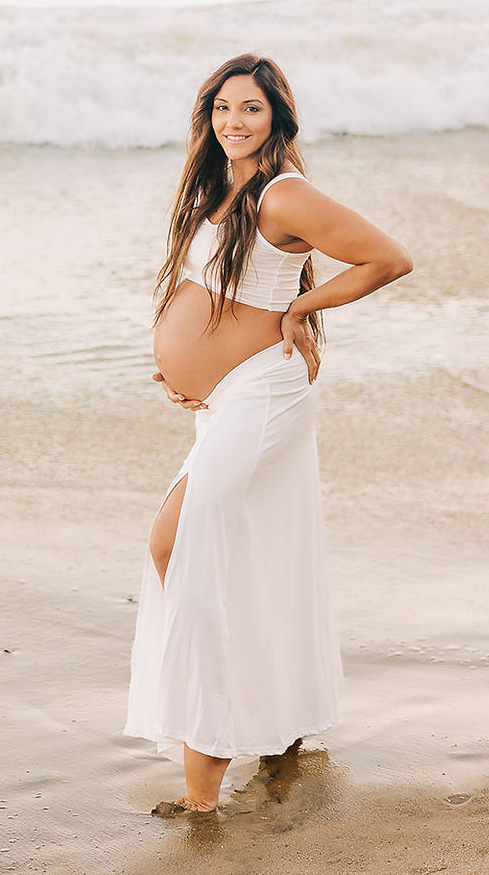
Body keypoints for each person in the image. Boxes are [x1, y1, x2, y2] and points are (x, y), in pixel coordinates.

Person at [124, 54, 412, 813]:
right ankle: (269, 716)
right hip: (227, 399)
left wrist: (301, 308)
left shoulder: (284, 193)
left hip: (265, 393)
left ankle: (203, 789)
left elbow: (387, 258)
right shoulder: (218, 189)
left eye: (250, 109)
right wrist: (190, 369)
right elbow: (211, 292)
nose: (233, 122)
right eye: (222, 108)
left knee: (180, 546)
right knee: (219, 552)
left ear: (278, 118)